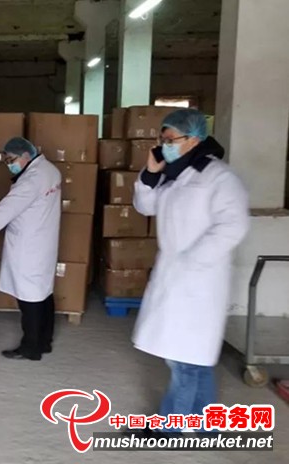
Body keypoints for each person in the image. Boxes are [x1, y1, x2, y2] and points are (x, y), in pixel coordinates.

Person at [131, 109, 249, 435]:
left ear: (194, 139)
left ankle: (171, 430)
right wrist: (150, 174)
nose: (164, 145)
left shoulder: (219, 177)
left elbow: (234, 225)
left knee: (186, 361)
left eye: (171, 139)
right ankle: (204, 426)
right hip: (173, 275)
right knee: (190, 359)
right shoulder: (174, 174)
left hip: (200, 280)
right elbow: (146, 206)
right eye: (162, 139)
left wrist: (194, 261)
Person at [0, 137, 61, 361]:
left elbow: (5, 210)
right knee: (43, 294)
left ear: (26, 156)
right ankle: (44, 341)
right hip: (43, 242)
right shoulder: (50, 170)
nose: (9, 164)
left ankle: (31, 348)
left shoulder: (31, 180)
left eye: (11, 160)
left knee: (29, 299)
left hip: (29, 247)